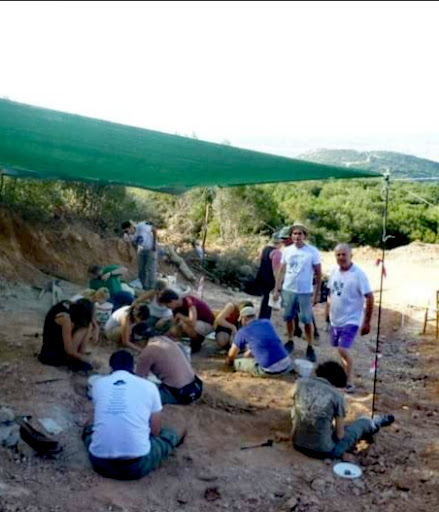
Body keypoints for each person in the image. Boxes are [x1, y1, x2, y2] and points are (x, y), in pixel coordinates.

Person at [82, 350, 184, 480]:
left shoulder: (98, 384)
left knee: (89, 429)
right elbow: (155, 431)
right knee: (169, 434)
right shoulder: (149, 386)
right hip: (137, 466)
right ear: (133, 367)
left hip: (100, 464)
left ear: (111, 367)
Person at [291, 361, 394, 459]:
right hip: (324, 451)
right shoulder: (336, 396)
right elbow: (340, 436)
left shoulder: (300, 383)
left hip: (297, 443)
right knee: (360, 424)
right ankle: (374, 423)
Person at [326, 243, 374, 393]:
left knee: (343, 348)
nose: (341, 257)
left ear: (350, 256)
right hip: (335, 318)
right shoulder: (334, 271)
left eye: (344, 254)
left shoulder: (358, 274)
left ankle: (350, 381)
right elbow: (331, 293)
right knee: (339, 350)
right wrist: (327, 311)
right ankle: (343, 377)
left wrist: (367, 322)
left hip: (352, 318)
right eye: (338, 255)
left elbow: (370, 297)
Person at [273, 221, 322, 362]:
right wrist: (276, 289)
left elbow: (318, 273)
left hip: (305, 291)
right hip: (288, 289)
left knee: (306, 320)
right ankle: (290, 340)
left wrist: (316, 294)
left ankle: (310, 346)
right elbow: (281, 270)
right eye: (294, 233)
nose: (297, 236)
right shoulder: (287, 251)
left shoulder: (312, 251)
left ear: (304, 235)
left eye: (300, 233)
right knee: (288, 317)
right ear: (291, 235)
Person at [225, 306, 292, 376]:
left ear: (244, 318)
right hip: (286, 364)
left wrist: (229, 362)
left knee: (235, 363)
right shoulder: (267, 323)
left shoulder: (243, 331)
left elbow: (231, 355)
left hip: (269, 370)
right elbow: (265, 341)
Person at [137, 335, 203, 405]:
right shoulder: (167, 341)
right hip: (196, 388)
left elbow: (139, 381)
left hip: (180, 395)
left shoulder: (147, 352)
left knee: (139, 393)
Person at [38, 299, 95, 372]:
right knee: (85, 328)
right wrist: (84, 358)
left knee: (88, 325)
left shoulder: (68, 305)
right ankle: (77, 357)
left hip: (58, 346)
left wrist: (96, 327)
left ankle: (79, 355)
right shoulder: (65, 319)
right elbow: (69, 350)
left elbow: (89, 319)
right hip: (52, 354)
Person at [121, 220, 157, 290]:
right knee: (141, 270)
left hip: (151, 248)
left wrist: (154, 244)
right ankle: (144, 287)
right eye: (124, 232)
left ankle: (152, 288)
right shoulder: (126, 236)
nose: (127, 233)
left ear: (131, 227)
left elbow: (154, 230)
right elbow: (131, 245)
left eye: (126, 231)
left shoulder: (141, 227)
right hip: (141, 250)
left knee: (150, 269)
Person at [255, 232, 283, 319]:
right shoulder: (277, 253)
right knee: (268, 303)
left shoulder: (265, 249)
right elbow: (276, 271)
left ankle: (262, 318)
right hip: (270, 280)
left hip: (262, 278)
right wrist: (278, 286)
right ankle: (264, 320)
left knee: (265, 300)